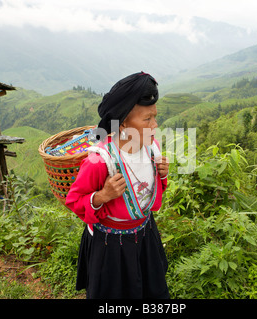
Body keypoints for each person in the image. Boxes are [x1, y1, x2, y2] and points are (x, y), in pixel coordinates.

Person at [65, 72, 170, 299]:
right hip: (111, 245)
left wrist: (162, 175)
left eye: (155, 117)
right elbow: (73, 201)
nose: (155, 125)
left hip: (145, 235)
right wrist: (103, 195)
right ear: (123, 123)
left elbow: (148, 193)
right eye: (147, 119)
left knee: (151, 292)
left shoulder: (152, 148)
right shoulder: (99, 162)